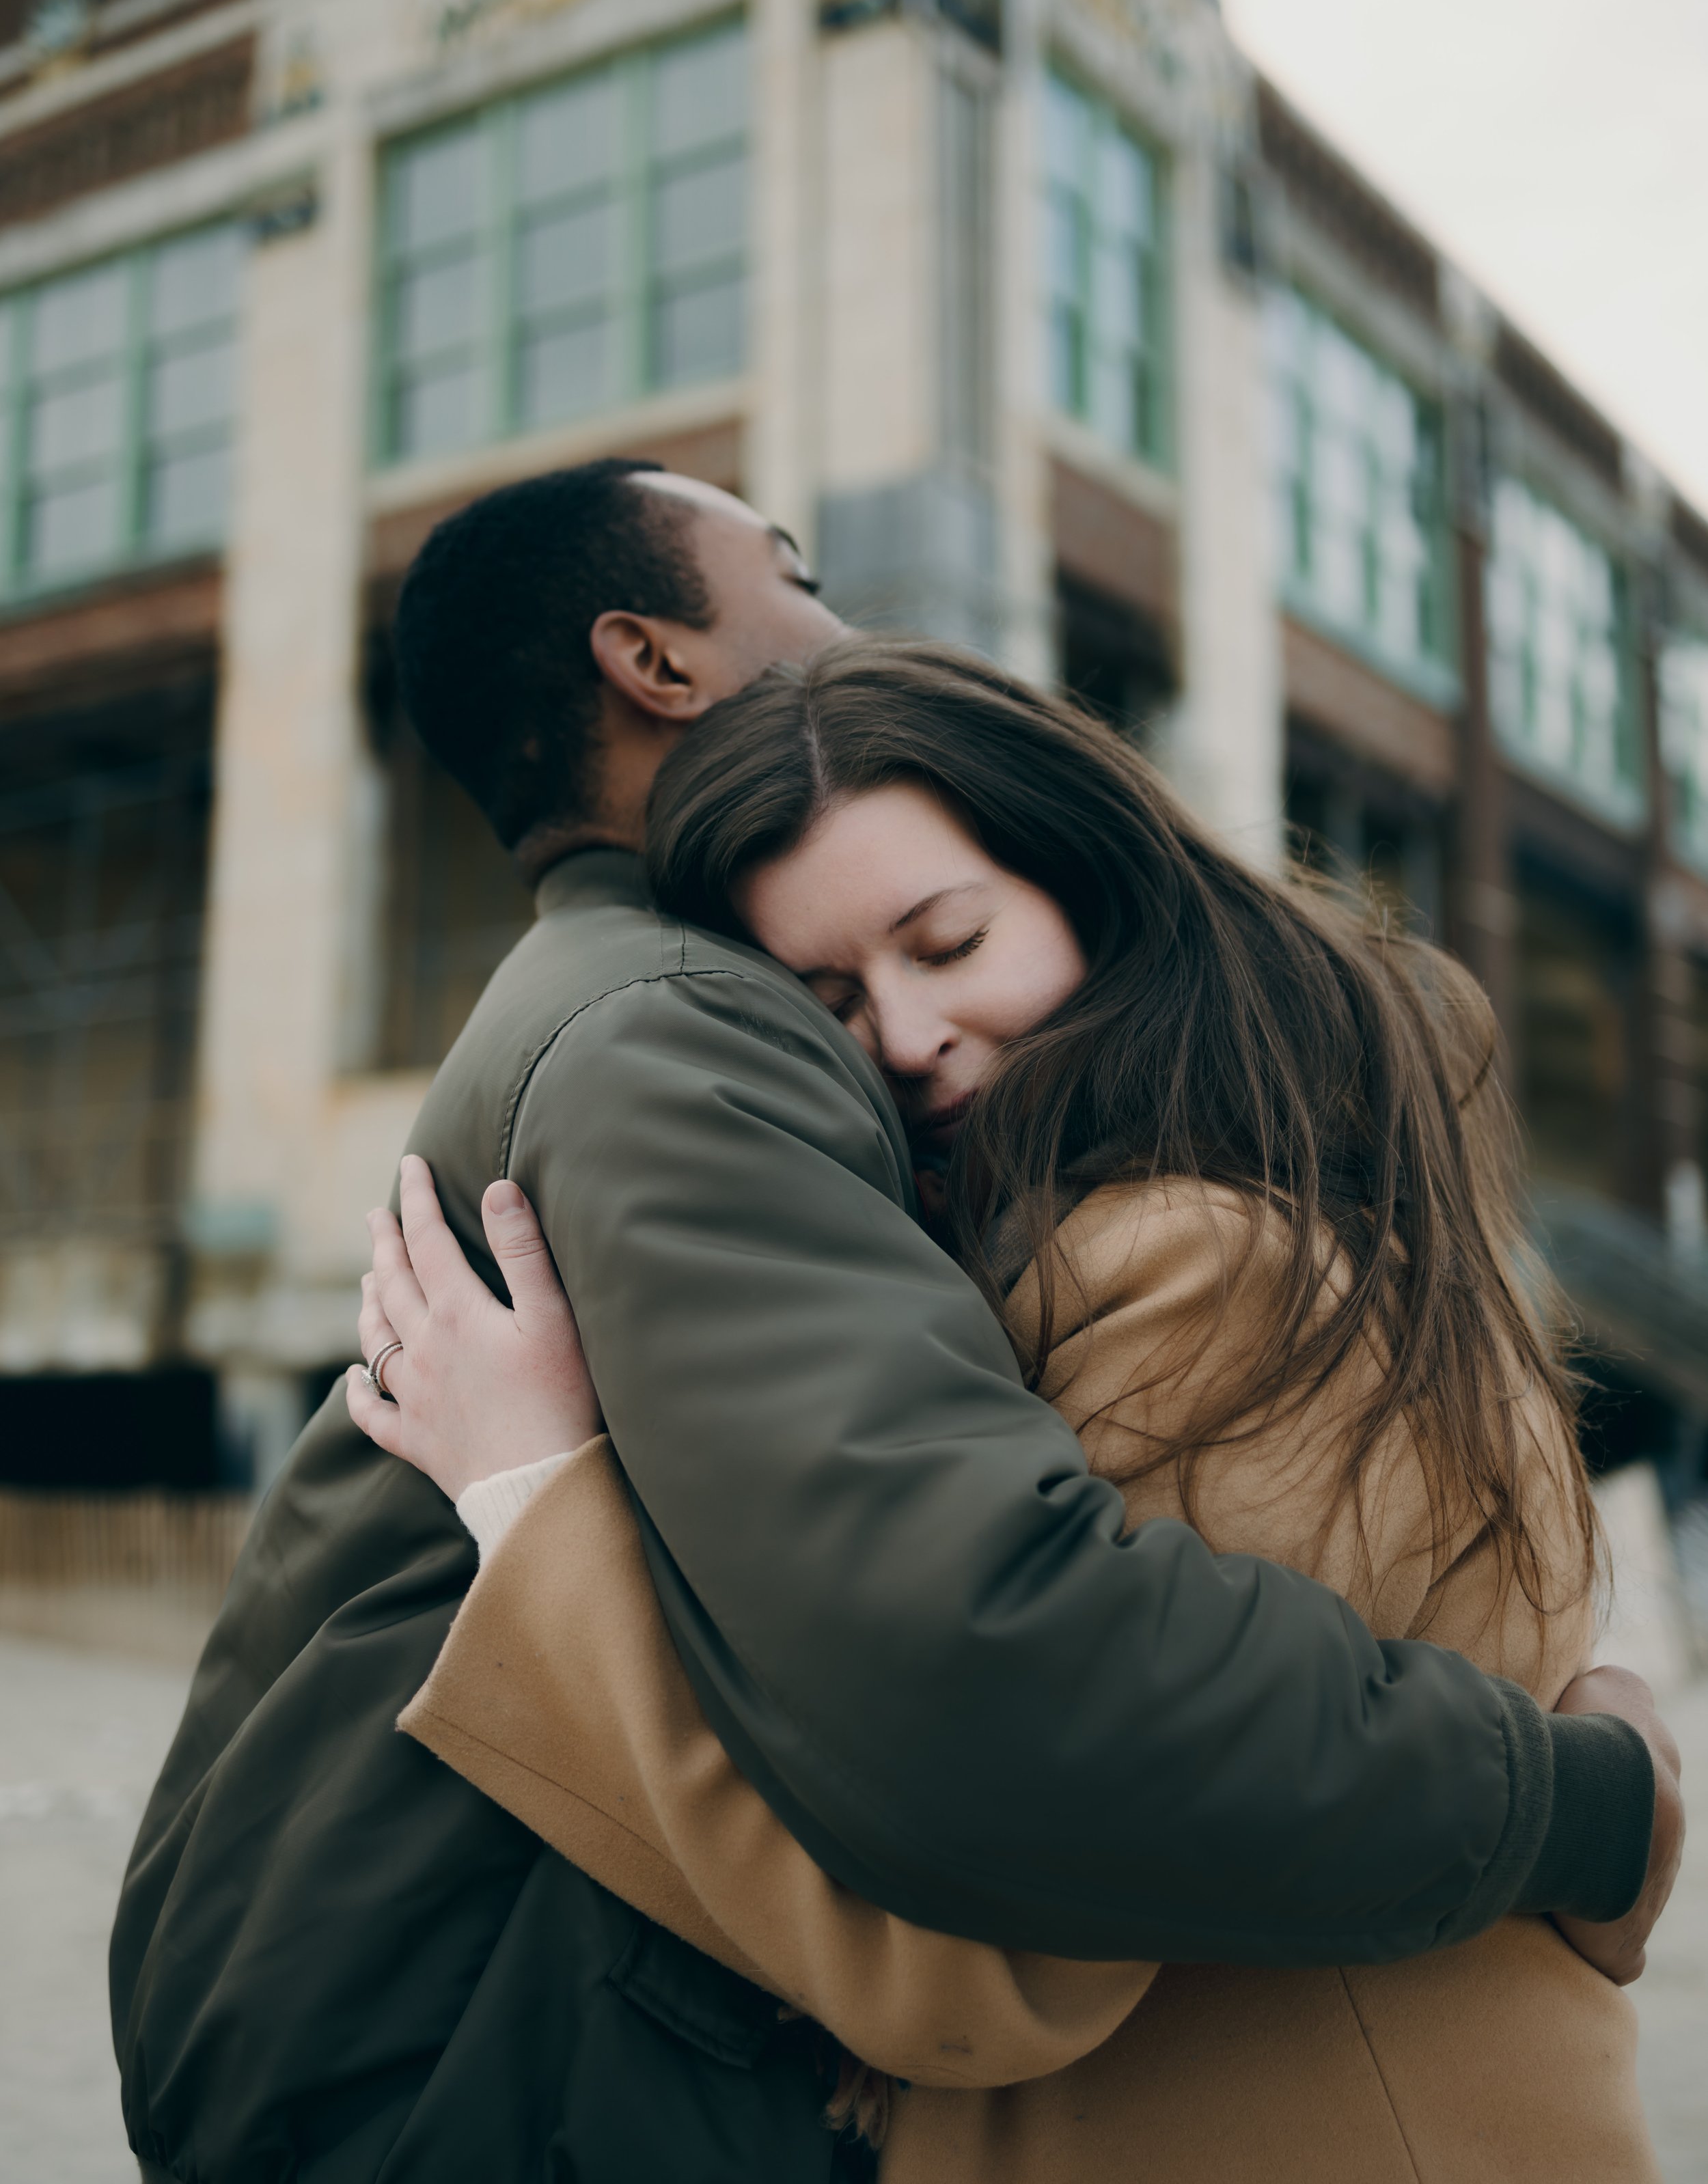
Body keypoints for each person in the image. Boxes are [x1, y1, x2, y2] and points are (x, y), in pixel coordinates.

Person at [113, 465, 1677, 2183]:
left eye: (947, 939)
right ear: (651, 660)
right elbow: (1008, 1756)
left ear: (1088, 876)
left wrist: (531, 1498)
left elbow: (994, 1874)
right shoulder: (711, 1046)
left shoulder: (1194, 1256)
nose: (903, 1035)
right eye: (838, 996)